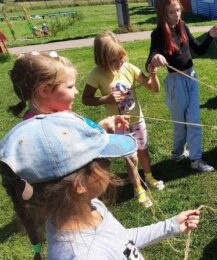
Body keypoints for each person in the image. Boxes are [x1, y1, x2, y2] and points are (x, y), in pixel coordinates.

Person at [0, 112, 201, 259]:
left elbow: (122, 240)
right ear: (79, 184)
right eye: (104, 161)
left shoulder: (89, 206)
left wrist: (172, 225)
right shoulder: (81, 255)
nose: (110, 166)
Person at [6, 51, 129, 259]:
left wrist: (101, 128)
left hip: (75, 204)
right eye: (71, 86)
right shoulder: (47, 132)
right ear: (45, 90)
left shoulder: (58, 119)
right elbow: (66, 157)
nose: (77, 91)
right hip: (71, 210)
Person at [82, 31, 164, 208]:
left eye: (121, 57)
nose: (119, 63)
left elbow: (154, 89)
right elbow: (86, 99)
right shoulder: (96, 74)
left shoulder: (129, 68)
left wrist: (154, 74)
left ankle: (148, 176)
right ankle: (138, 189)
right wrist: (107, 99)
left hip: (137, 120)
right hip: (119, 125)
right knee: (130, 158)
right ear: (101, 59)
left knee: (143, 150)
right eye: (113, 60)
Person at [146, 0, 217, 172]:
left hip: (191, 77)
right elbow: (151, 58)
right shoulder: (158, 35)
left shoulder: (183, 27)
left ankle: (196, 159)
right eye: (172, 11)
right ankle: (178, 153)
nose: (176, 15)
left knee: (193, 121)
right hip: (175, 83)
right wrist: (154, 60)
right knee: (180, 125)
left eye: (178, 10)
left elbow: (199, 50)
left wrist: (209, 36)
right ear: (162, 13)